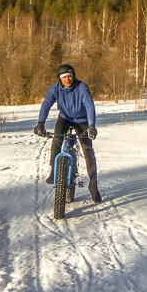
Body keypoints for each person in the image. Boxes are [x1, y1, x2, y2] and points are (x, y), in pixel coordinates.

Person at [34, 63, 102, 203]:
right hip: (64, 118)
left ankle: (93, 183)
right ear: (60, 78)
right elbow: (46, 104)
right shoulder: (55, 88)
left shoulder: (81, 87)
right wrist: (41, 123)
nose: (67, 79)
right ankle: (54, 172)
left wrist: (91, 125)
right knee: (56, 141)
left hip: (81, 119)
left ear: (73, 76)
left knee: (87, 148)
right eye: (64, 77)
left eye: (70, 76)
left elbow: (89, 104)